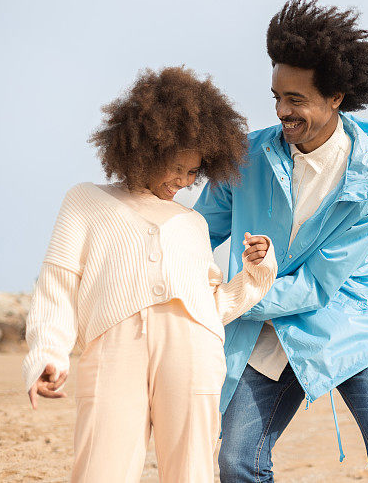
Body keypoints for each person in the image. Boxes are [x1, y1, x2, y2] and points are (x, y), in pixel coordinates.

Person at [195, 0, 368, 482]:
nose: (281, 111)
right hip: (267, 327)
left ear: (336, 96)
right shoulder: (247, 157)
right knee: (237, 461)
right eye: (277, 96)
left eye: (295, 100)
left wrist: (231, 300)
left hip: (352, 318)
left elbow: (319, 286)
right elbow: (196, 232)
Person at [22, 66, 278, 482]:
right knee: (100, 468)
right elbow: (57, 286)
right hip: (112, 345)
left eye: (194, 172)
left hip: (193, 346)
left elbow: (215, 306)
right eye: (176, 167)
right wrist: (47, 354)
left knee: (191, 470)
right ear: (146, 150)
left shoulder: (191, 223)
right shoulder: (86, 200)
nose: (184, 180)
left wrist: (257, 270)